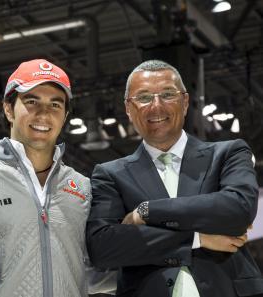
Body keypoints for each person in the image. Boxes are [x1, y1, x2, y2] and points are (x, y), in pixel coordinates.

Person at [86, 59, 263, 297]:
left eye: (168, 94)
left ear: (185, 101)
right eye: (144, 97)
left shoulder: (228, 153)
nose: (156, 106)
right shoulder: (110, 174)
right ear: (128, 108)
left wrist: (147, 212)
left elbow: (238, 210)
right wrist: (196, 238)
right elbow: (104, 247)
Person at [0, 59, 115, 297]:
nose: (44, 114)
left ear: (65, 116)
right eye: (32, 102)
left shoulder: (82, 187)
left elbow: (87, 273)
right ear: (8, 109)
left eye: (55, 105)